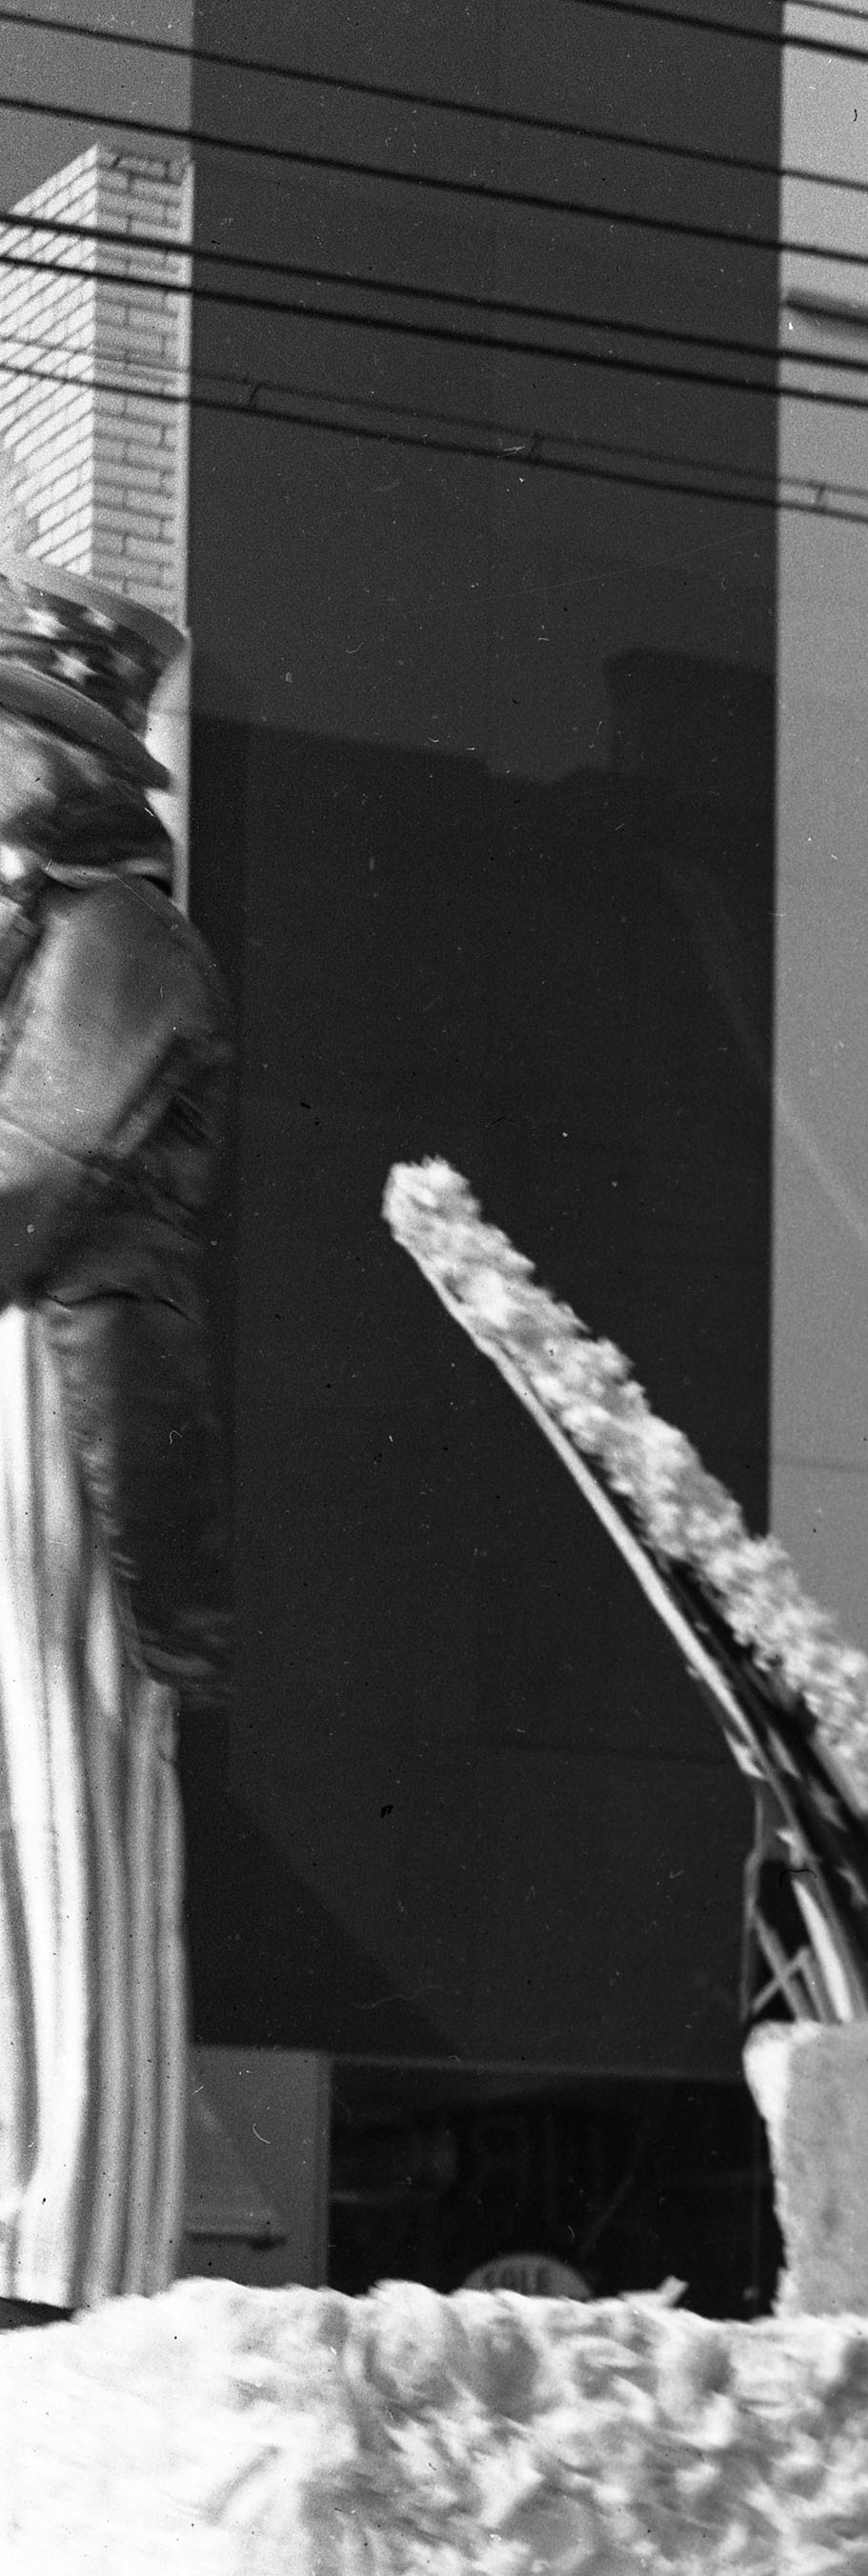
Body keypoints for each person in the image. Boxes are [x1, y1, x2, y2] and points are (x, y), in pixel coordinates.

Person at [0, 573, 220, 2328]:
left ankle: (71, 2245)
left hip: (53, 1401)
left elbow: (44, 1182)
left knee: (61, 1782)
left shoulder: (125, 941)